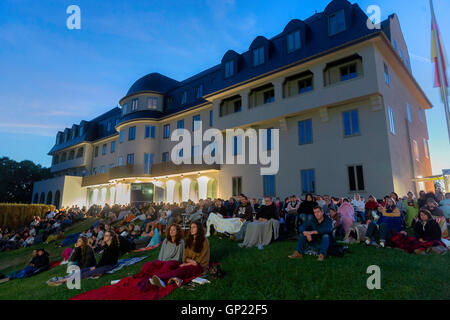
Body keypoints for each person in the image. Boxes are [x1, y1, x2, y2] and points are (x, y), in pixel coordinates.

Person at [150, 221, 209, 288]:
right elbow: (184, 256)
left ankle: (161, 279)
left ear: (199, 228)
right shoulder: (189, 240)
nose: (191, 229)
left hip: (199, 266)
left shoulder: (204, 240)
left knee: (182, 270)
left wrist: (186, 263)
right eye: (191, 227)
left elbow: (200, 260)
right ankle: (163, 279)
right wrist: (188, 261)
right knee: (178, 270)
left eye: (194, 227)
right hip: (190, 263)